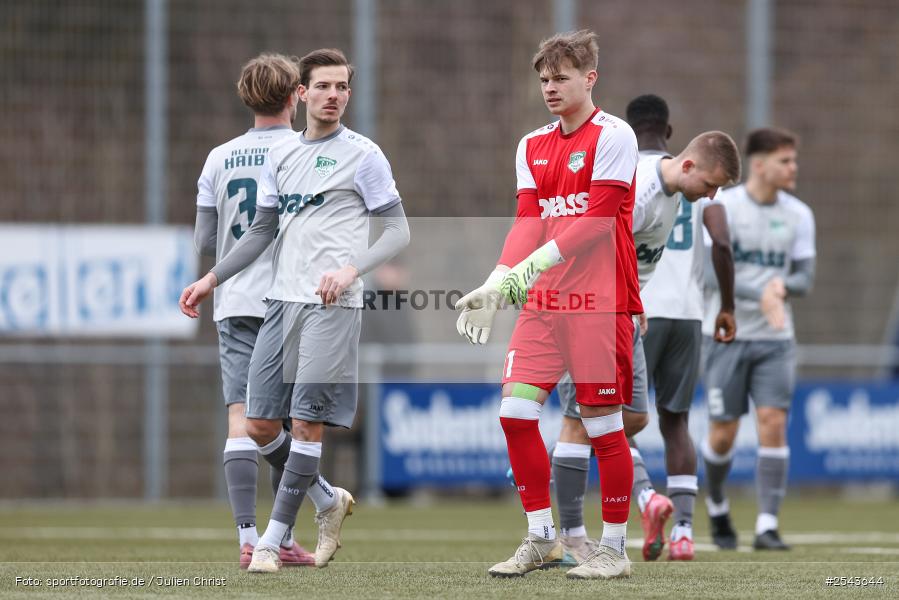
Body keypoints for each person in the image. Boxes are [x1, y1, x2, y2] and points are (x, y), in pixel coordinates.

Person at [180, 48, 411, 573]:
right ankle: (327, 502)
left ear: (349, 93)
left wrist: (352, 270)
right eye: (324, 86)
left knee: (306, 424)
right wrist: (211, 278)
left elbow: (398, 231)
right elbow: (261, 231)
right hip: (279, 304)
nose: (334, 95)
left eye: (342, 87)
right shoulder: (282, 158)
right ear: (301, 94)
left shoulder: (365, 155)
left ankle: (270, 541)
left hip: (332, 305)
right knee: (259, 423)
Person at [455, 30, 642, 580]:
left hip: (599, 302)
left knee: (604, 425)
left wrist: (529, 268)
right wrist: (497, 280)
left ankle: (614, 550)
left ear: (590, 78)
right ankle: (542, 539)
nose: (550, 88)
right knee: (514, 414)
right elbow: (529, 221)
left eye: (561, 77)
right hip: (544, 303)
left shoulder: (615, 134)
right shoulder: (531, 144)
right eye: (543, 79)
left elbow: (599, 219)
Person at [551, 109, 740, 564]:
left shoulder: (675, 195)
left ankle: (577, 473)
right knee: (582, 420)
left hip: (628, 314)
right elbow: (587, 246)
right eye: (711, 185)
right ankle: (571, 537)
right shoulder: (637, 191)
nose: (711, 195)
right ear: (689, 165)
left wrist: (634, 305)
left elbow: (635, 258)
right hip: (590, 311)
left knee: (632, 419)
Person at [193, 52, 314, 568]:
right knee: (281, 421)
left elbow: (205, 238)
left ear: (247, 98)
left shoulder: (219, 157)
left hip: (235, 299)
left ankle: (249, 536)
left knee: (242, 418)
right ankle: (288, 528)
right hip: (289, 298)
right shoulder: (307, 151)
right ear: (296, 96)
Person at [629, 95, 738, 561]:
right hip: (689, 313)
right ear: (670, 134)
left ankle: (645, 495)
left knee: (610, 418)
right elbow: (723, 244)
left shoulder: (627, 173)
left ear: (628, 132)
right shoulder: (702, 178)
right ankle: (685, 535)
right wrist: (725, 307)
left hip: (636, 310)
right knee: (678, 424)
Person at [700, 127, 815, 551]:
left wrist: (780, 289)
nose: (793, 168)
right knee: (723, 435)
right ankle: (715, 502)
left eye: (793, 160)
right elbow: (709, 272)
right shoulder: (723, 207)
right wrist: (756, 292)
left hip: (776, 338)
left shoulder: (800, 215)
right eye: (785, 161)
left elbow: (805, 276)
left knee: (773, 423)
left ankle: (767, 525)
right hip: (725, 334)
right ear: (760, 164)